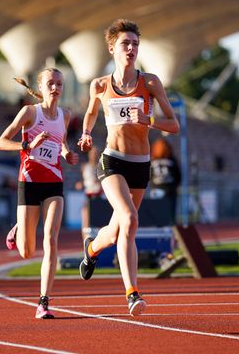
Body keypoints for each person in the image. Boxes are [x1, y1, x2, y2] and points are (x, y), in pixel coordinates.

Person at [77, 19, 180, 316]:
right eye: (125, 43)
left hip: (140, 163)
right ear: (112, 48)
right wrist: (85, 135)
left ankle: (93, 249)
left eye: (135, 43)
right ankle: (132, 293)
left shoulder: (150, 83)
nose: (131, 48)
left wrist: (149, 120)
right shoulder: (99, 85)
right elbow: (90, 115)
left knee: (119, 227)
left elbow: (173, 125)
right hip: (112, 160)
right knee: (129, 219)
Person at [0, 68, 79, 319]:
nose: (55, 88)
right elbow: (0, 142)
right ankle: (20, 228)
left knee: (51, 239)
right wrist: (27, 145)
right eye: (51, 84)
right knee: (27, 252)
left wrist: (66, 153)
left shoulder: (66, 116)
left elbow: (61, 142)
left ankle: (43, 301)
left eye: (60, 84)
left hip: (54, 183)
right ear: (41, 88)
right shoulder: (30, 112)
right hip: (29, 182)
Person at [149, 137, 181, 224]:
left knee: (157, 214)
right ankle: (171, 233)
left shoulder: (153, 161)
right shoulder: (172, 160)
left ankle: (158, 232)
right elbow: (178, 176)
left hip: (156, 189)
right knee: (171, 215)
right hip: (170, 189)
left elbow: (149, 176)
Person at [77, 146, 103, 239]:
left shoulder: (101, 167)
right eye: (92, 153)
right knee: (86, 217)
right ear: (89, 154)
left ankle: (99, 238)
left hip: (99, 195)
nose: (94, 156)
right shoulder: (84, 166)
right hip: (88, 195)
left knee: (100, 218)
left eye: (96, 154)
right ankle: (85, 239)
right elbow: (82, 180)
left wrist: (99, 182)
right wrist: (80, 184)